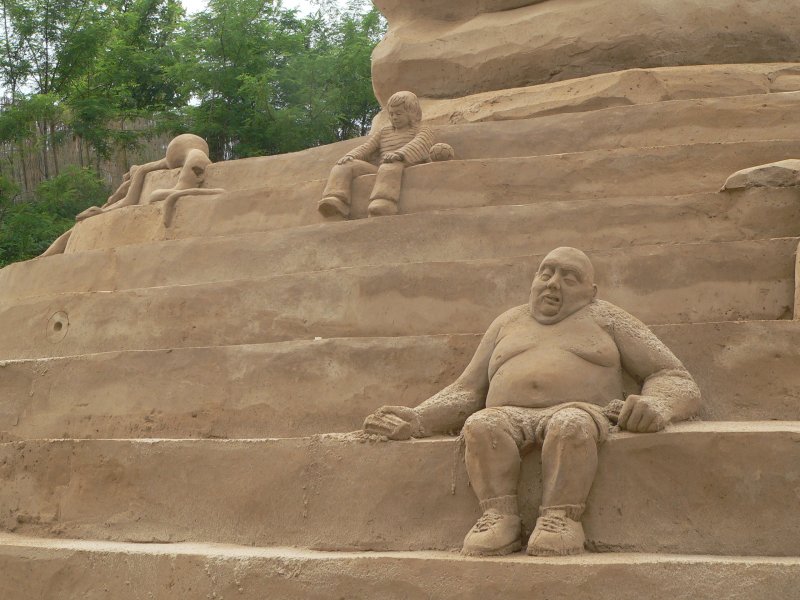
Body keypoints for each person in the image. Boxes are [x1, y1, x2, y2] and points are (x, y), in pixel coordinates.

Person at [363, 247, 701, 557]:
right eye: (546, 273)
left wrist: (658, 405)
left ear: (591, 292)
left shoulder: (608, 318)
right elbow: (467, 391)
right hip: (506, 413)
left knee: (569, 427)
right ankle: (498, 516)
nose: (554, 283)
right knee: (481, 425)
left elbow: (672, 375)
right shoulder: (507, 322)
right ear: (533, 280)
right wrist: (418, 418)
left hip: (580, 409)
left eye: (569, 277)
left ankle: (561, 517)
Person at [319, 90, 434, 218]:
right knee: (344, 165)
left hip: (405, 166)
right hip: (382, 167)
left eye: (399, 113)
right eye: (391, 114)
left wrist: (400, 154)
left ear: (412, 113)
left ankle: (384, 202)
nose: (394, 117)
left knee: (389, 165)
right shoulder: (384, 132)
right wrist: (352, 155)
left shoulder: (421, 129)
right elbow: (367, 147)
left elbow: (420, 143)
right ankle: (335, 199)